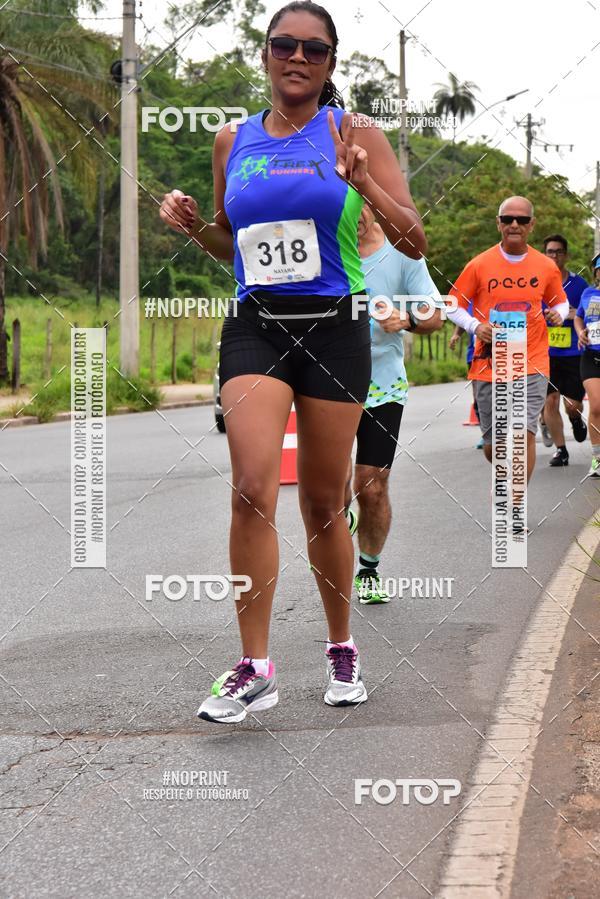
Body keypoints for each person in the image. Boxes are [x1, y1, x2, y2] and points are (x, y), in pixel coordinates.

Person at [159, 0, 426, 723]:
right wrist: (193, 229)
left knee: (319, 500)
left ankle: (342, 646)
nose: (298, 57)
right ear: (267, 55)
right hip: (257, 326)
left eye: (314, 48)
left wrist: (363, 180)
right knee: (250, 486)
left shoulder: (353, 130)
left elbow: (414, 241)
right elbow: (230, 243)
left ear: (332, 62)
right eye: (285, 44)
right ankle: (255, 665)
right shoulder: (230, 139)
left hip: (335, 327)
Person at [345, 205, 443, 603]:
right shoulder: (327, 251)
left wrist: (405, 319)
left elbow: (436, 314)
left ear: (370, 203)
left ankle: (368, 569)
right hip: (326, 382)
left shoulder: (402, 254)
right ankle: (336, 519)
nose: (355, 216)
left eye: (360, 206)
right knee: (329, 487)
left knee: (371, 487)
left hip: (383, 387)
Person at [447, 196, 568, 493]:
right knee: (494, 447)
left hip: (533, 361)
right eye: (508, 219)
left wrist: (557, 313)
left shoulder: (545, 266)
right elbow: (452, 305)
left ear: (531, 225)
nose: (515, 224)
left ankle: (514, 506)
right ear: (498, 223)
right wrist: (476, 326)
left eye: (522, 220)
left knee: (523, 434)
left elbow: (561, 303)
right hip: (490, 364)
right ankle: (504, 473)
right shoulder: (479, 265)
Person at [540, 234, 588, 466]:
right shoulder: (537, 282)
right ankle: (561, 450)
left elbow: (591, 312)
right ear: (544, 254)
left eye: (559, 251)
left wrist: (575, 313)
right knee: (550, 401)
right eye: (550, 251)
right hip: (545, 353)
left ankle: (576, 420)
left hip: (573, 353)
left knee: (573, 405)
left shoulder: (579, 285)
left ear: (566, 255)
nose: (554, 256)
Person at [574, 254, 600, 477]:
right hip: (591, 356)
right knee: (597, 406)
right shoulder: (588, 293)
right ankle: (597, 458)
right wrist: (580, 331)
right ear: (596, 272)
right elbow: (578, 317)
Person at [449, 304, 483, 449]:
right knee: (479, 397)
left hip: (499, 354)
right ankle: (486, 433)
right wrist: (456, 334)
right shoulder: (469, 299)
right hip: (475, 356)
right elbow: (462, 318)